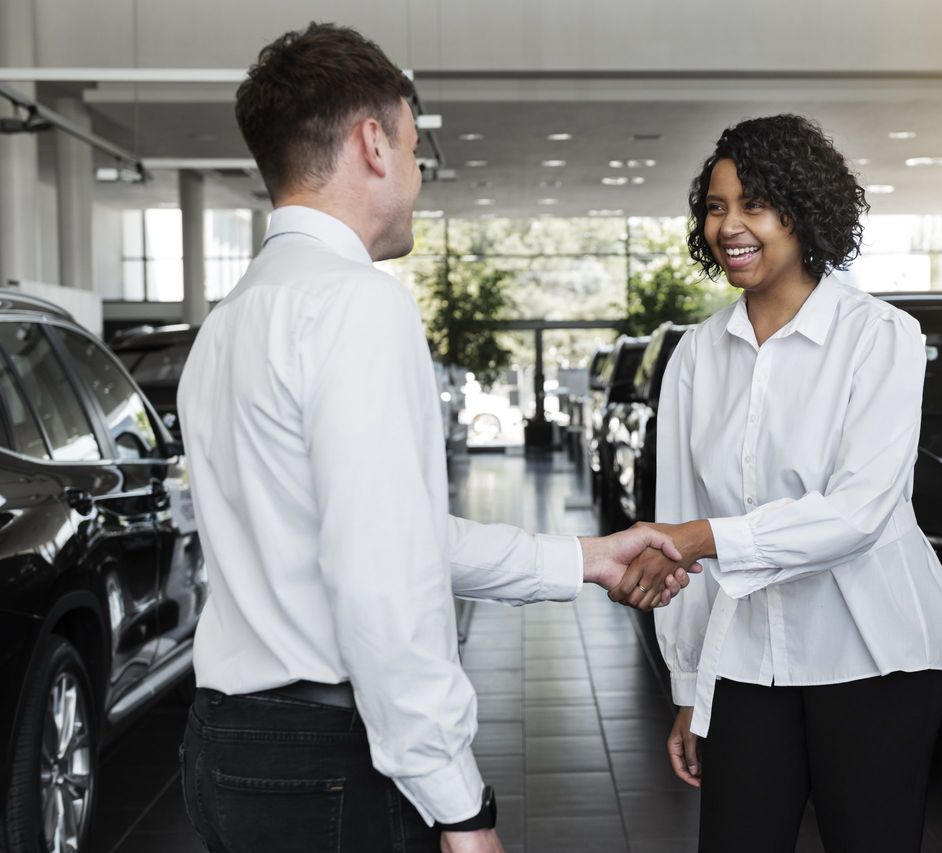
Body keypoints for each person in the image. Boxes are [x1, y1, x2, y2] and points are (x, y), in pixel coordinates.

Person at [177, 23, 692, 853]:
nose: (419, 178)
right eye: (417, 150)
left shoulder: (228, 323)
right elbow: (381, 581)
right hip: (334, 762)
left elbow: (389, 537)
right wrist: (459, 804)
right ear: (373, 143)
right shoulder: (356, 303)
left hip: (228, 747)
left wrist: (585, 558)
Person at [611, 114, 942, 852]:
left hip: (876, 652)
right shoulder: (697, 356)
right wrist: (686, 691)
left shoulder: (880, 335)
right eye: (714, 206)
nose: (727, 225)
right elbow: (678, 524)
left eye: (752, 204)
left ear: (802, 212)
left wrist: (705, 538)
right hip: (743, 657)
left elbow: (857, 513)